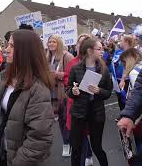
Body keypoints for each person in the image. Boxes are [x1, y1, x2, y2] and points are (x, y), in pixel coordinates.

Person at [0, 29, 54, 166]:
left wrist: (17, 162)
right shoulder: (4, 78)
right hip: (3, 154)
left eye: (12, 46)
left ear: (26, 51)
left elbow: (39, 139)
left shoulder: (38, 89)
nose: (6, 50)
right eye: (7, 45)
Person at [66, 37, 112, 166]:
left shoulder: (104, 69)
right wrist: (73, 92)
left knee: (97, 147)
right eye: (99, 48)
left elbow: (108, 92)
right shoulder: (75, 69)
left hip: (96, 113)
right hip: (79, 113)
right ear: (89, 51)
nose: (102, 51)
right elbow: (68, 88)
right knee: (76, 148)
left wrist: (99, 91)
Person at [63, 34, 94, 165]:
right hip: (76, 108)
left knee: (87, 136)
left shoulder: (96, 62)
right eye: (79, 42)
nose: (81, 45)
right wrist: (73, 90)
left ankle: (89, 154)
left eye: (84, 43)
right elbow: (67, 82)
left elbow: (106, 86)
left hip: (92, 109)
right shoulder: (72, 63)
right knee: (78, 141)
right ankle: (84, 158)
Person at [46, 34, 74, 157]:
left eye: (54, 42)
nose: (51, 44)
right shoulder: (47, 57)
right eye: (49, 41)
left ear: (59, 43)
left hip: (64, 94)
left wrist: (58, 74)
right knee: (60, 121)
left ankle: (68, 143)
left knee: (65, 120)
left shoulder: (67, 56)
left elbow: (74, 74)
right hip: (51, 93)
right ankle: (67, 142)